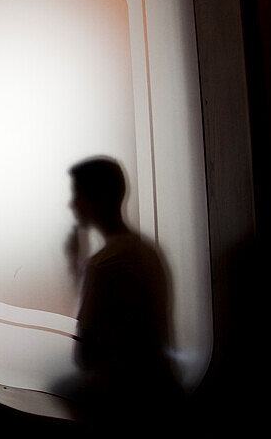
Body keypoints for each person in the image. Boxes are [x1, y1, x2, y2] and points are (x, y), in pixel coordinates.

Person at [63, 156, 183, 429]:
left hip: (125, 403)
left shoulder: (104, 263)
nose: (71, 204)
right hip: (162, 390)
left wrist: (76, 267)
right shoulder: (148, 250)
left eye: (77, 194)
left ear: (99, 198)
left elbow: (85, 357)